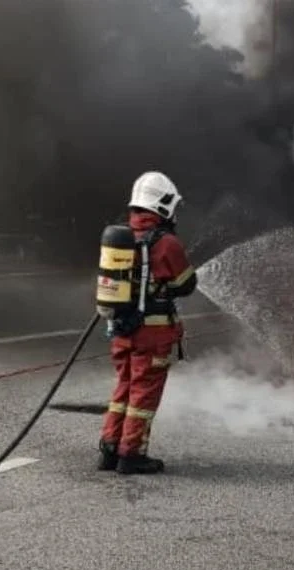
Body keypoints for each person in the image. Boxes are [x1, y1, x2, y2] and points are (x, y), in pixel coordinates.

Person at [98, 171, 199, 475]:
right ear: (164, 204)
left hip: (121, 330)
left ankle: (110, 449)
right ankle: (132, 456)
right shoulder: (167, 243)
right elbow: (185, 283)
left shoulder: (124, 239)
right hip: (152, 334)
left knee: (124, 389)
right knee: (143, 395)